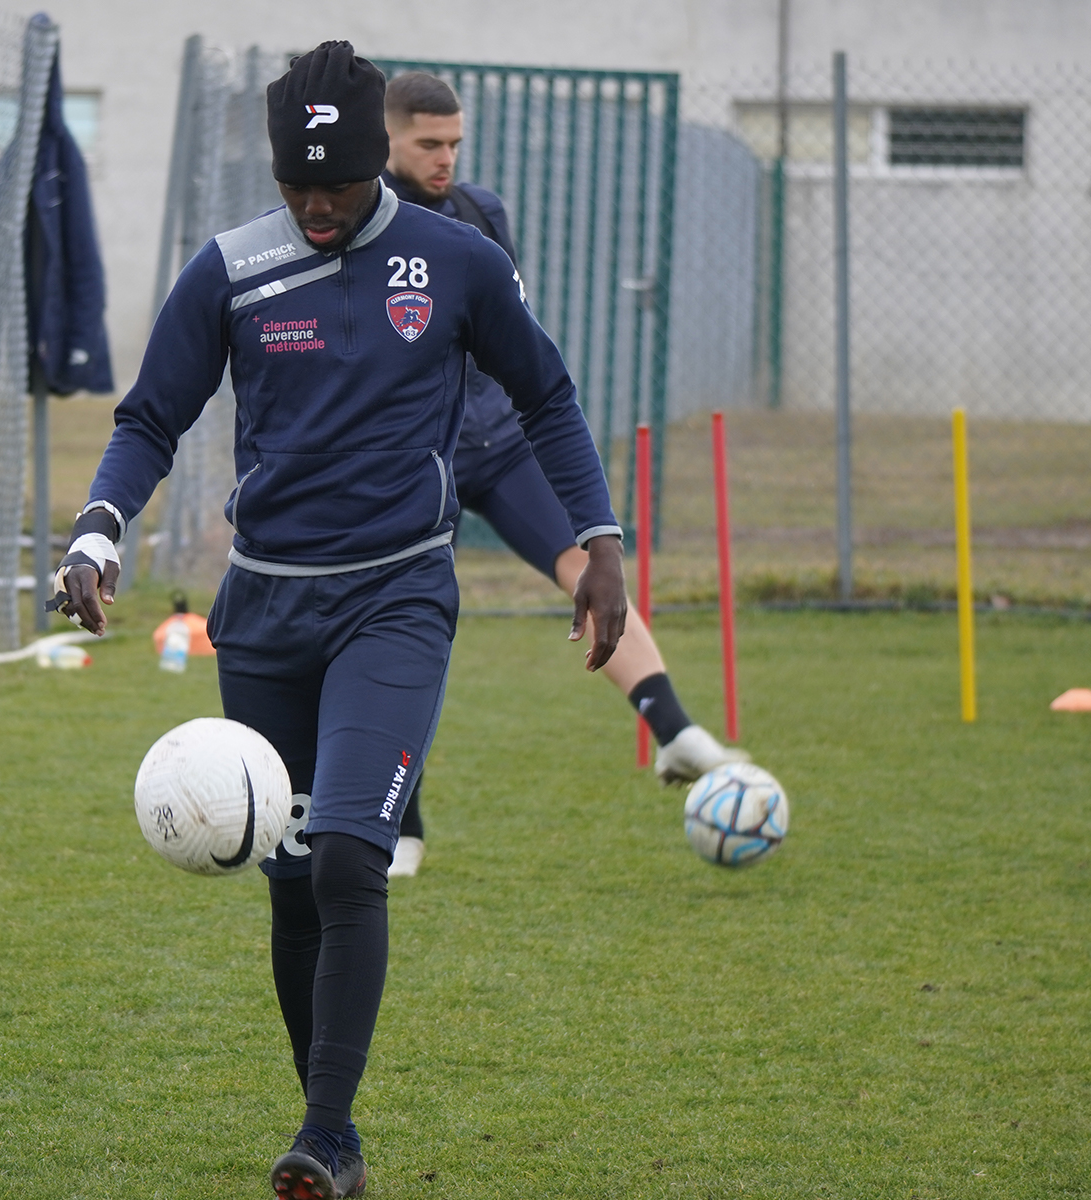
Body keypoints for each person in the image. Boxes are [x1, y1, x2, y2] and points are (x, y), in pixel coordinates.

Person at [49, 43, 627, 1200]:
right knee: (290, 869)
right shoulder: (229, 270)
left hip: (396, 597)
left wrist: (598, 541)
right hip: (262, 612)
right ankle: (336, 1138)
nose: (318, 205)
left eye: (341, 184)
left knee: (353, 854)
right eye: (297, 184)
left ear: (379, 167)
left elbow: (547, 395)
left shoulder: (456, 261)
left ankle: (324, 1134)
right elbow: (151, 415)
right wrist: (98, 526)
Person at [380, 72, 747, 879]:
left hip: (499, 442)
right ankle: (402, 825)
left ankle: (675, 729)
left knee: (590, 567)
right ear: (389, 141)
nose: (444, 159)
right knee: (400, 623)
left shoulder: (483, 214)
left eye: (454, 144)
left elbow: (505, 334)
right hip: (413, 458)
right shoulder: (363, 223)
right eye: (427, 144)